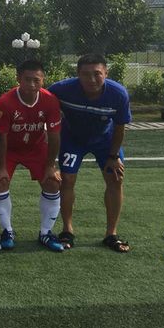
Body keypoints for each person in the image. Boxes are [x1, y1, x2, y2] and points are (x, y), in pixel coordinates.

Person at [48, 54, 132, 252]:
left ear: (106, 73)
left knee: (115, 178)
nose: (92, 79)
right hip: (72, 139)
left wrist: (113, 157)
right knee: (67, 180)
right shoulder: (60, 89)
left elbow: (120, 128)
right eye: (86, 74)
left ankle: (111, 234)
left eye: (97, 74)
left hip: (105, 140)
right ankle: (67, 230)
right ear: (77, 74)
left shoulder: (118, 94)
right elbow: (42, 104)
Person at [0, 60, 65, 252]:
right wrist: (1, 167)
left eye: (36, 80)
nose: (32, 84)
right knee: (0, 181)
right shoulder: (5, 102)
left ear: (43, 80)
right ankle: (7, 231)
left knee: (53, 182)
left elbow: (54, 135)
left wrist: (51, 166)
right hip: (8, 149)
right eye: (27, 79)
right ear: (18, 79)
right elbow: (1, 136)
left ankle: (46, 232)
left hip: (36, 147)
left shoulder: (50, 100)